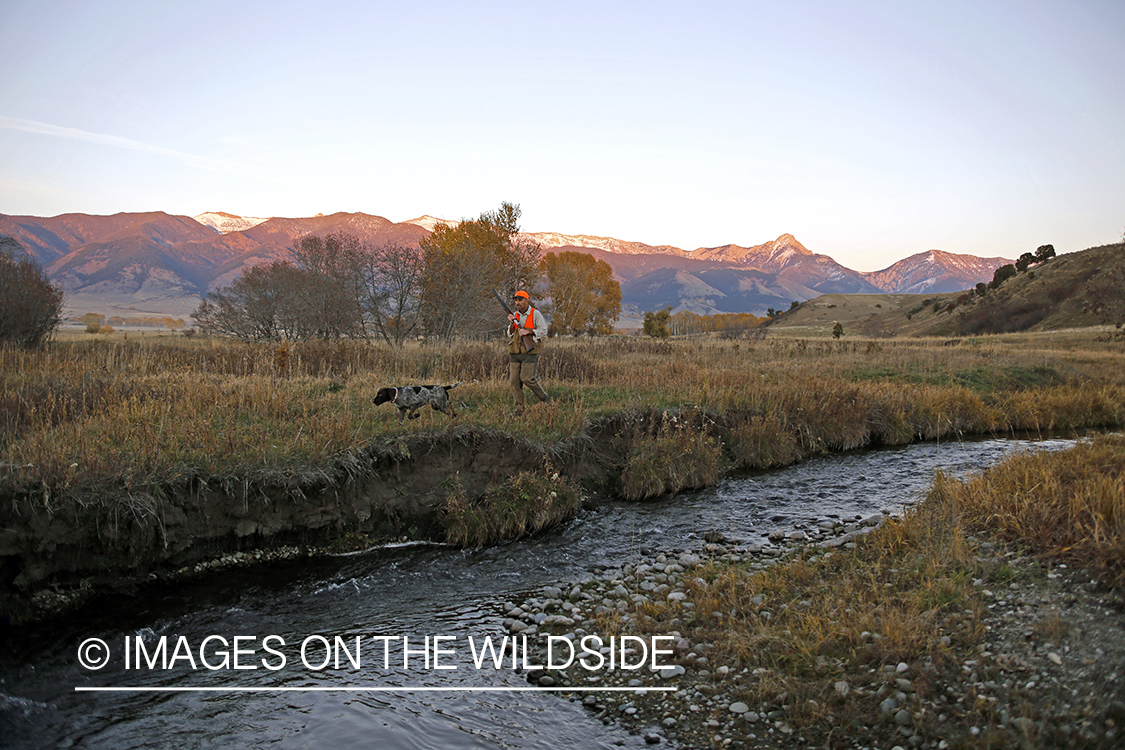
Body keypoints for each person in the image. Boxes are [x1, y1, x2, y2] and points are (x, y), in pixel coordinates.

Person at [507, 290, 548, 412]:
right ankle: (519, 409)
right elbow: (509, 334)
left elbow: (543, 330)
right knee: (514, 382)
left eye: (520, 300)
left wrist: (528, 331)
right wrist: (511, 323)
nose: (517, 302)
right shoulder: (515, 315)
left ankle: (544, 397)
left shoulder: (535, 314)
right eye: (516, 300)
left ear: (526, 301)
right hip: (515, 352)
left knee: (527, 379)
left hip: (530, 351)